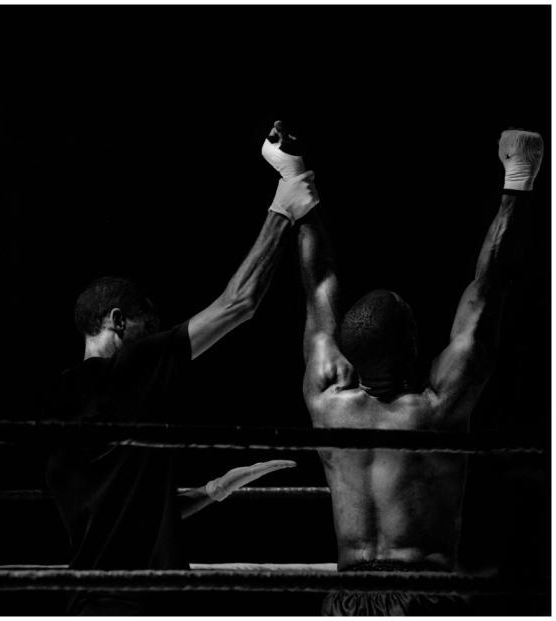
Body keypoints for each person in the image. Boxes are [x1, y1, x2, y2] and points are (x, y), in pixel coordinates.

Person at [45, 129, 320, 615]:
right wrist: (285, 201)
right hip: (143, 603)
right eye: (148, 329)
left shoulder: (61, 403)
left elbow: (124, 515)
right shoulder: (130, 368)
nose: (156, 341)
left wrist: (213, 491)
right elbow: (239, 304)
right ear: (118, 322)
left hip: (87, 601)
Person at [278, 124, 542, 615]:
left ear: (348, 354)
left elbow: (318, 284)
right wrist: (518, 181)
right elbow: (490, 286)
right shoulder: (436, 412)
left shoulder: (326, 401)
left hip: (349, 598)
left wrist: (293, 176)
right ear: (417, 346)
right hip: (422, 595)